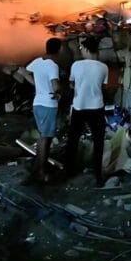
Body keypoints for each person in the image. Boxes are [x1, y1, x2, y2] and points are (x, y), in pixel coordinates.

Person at [65, 36, 109, 185]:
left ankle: (68, 170)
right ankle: (98, 174)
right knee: (98, 141)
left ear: (85, 49)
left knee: (73, 139)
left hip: (79, 106)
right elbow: (103, 87)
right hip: (97, 107)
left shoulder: (76, 65)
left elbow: (71, 84)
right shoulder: (103, 67)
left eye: (81, 48)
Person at [21, 37, 62, 182]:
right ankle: (41, 173)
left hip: (37, 103)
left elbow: (24, 72)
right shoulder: (53, 65)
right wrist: (59, 93)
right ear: (59, 50)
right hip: (48, 104)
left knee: (43, 137)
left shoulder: (37, 62)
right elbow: (55, 85)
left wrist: (36, 84)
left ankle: (37, 169)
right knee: (46, 138)